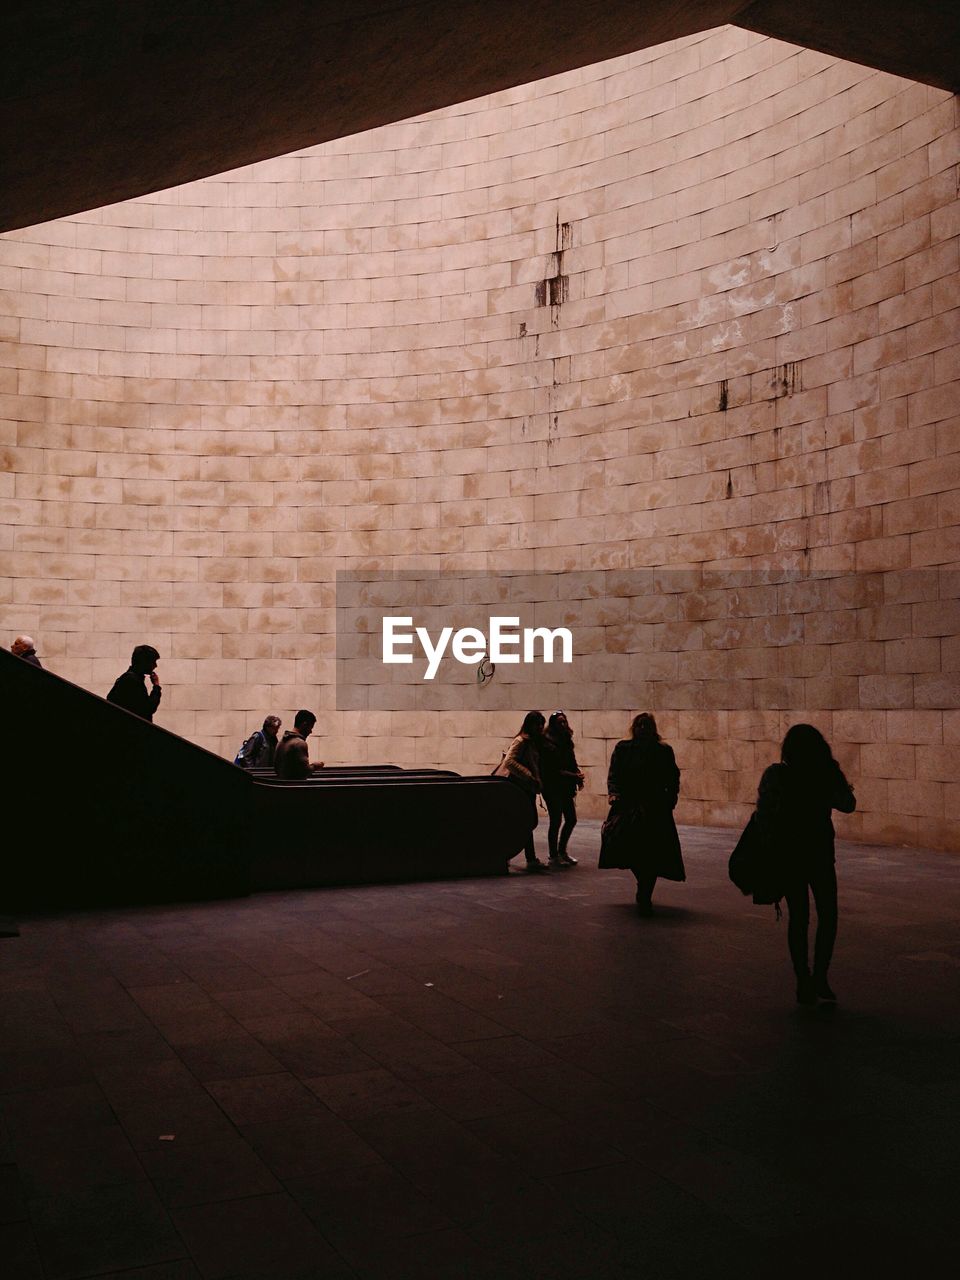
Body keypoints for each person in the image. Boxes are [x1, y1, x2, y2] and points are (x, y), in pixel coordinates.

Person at [756, 724, 856, 1005]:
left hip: (789, 855)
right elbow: (848, 804)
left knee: (798, 918)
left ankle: (803, 978)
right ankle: (820, 976)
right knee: (828, 915)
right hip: (819, 853)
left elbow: (763, 813)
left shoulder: (776, 774)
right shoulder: (825, 773)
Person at [599, 712, 684, 914]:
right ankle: (644, 884)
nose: (643, 729)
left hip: (655, 808)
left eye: (646, 725)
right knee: (632, 848)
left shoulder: (663, 751)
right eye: (640, 725)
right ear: (634, 728)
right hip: (629, 805)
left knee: (651, 852)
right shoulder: (623, 749)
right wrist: (614, 793)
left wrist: (670, 800)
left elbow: (673, 777)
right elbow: (614, 774)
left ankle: (645, 889)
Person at [501, 711, 549, 873]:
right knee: (525, 823)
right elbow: (509, 761)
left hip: (527, 788)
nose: (541, 727)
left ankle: (522, 857)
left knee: (527, 823)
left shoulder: (534, 742)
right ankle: (523, 857)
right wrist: (528, 776)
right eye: (538, 724)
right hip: (519, 788)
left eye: (542, 724)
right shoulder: (521, 741)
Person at [540, 711, 583, 867]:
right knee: (556, 820)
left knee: (571, 819)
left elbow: (571, 760)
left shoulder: (566, 740)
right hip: (552, 787)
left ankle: (562, 851)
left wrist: (577, 773)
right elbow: (553, 770)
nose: (563, 725)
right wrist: (574, 776)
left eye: (564, 722)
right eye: (560, 722)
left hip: (565, 786)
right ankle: (553, 855)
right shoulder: (547, 743)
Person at [106, 645, 162, 721]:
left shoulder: (130, 678)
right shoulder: (132, 681)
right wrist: (156, 686)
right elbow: (148, 709)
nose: (155, 665)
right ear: (145, 662)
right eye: (153, 662)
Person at [274, 710, 325, 779]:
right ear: (304, 725)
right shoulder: (299, 744)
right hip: (294, 787)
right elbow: (304, 772)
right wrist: (315, 766)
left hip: (281, 784)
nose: (310, 731)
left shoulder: (280, 742)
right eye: (310, 727)